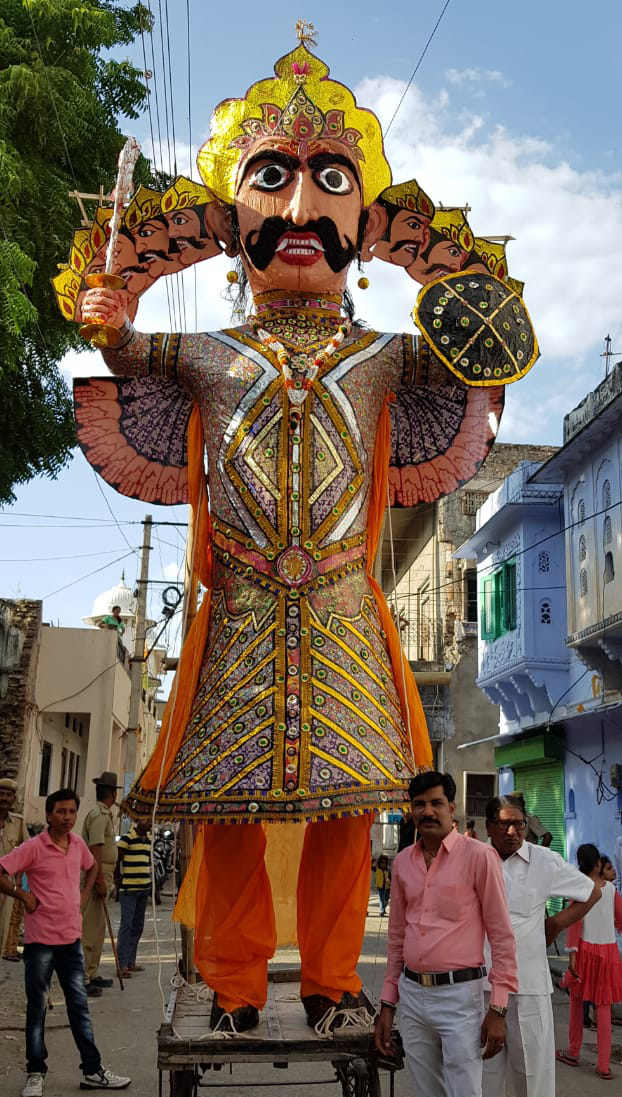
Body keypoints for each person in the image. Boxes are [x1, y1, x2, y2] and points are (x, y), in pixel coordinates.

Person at [71, 32, 537, 1033]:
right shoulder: (203, 352)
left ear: (361, 223)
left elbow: (477, 352)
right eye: (269, 180)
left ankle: (330, 978)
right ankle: (237, 984)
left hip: (336, 610)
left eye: (327, 182)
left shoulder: (381, 355)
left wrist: (470, 291)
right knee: (231, 817)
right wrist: (113, 319)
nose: (295, 208)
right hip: (240, 606)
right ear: (232, 214)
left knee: (341, 811)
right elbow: (128, 344)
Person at [375, 770, 520, 1097]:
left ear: (452, 808)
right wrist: (388, 1003)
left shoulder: (479, 858)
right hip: (414, 998)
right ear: (410, 810)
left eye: (436, 803)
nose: (428, 812)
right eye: (419, 805)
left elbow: (503, 938)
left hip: (463, 999)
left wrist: (497, 1009)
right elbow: (395, 939)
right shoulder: (403, 864)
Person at [483, 796, 600, 1097]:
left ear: (526, 827)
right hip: (481, 989)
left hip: (529, 989)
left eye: (519, 824)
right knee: (483, 1089)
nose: (512, 831)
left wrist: (555, 924)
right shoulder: (477, 860)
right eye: (503, 824)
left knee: (534, 1088)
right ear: (488, 827)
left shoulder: (545, 862)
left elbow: (592, 891)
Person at [0, 788, 131, 1097]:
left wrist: (83, 898)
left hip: (70, 939)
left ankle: (92, 1070)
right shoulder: (34, 847)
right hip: (40, 943)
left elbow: (93, 866)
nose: (66, 817)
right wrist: (23, 895)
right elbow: (3, 870)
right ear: (48, 815)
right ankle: (35, 1072)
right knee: (37, 1009)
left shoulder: (78, 845)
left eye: (71, 812)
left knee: (79, 1007)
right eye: (60, 812)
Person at [556, 843, 622, 1081]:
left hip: (584, 951)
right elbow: (620, 919)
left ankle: (573, 1052)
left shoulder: (580, 889)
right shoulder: (612, 890)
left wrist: (572, 955)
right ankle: (603, 1065)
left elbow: (574, 925)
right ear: (597, 865)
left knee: (576, 1001)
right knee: (603, 1007)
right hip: (609, 952)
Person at [81, 771, 122, 995]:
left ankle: (92, 971)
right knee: (89, 927)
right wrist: (97, 879)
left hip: (104, 871)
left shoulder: (105, 814)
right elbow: (94, 848)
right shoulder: (98, 815)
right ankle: (83, 976)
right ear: (112, 794)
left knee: (98, 929)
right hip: (96, 872)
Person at [116, 818, 152, 979]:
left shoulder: (148, 840)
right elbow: (117, 861)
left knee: (138, 926)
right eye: (145, 819)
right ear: (138, 821)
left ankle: (131, 961)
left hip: (143, 890)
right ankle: (122, 964)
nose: (149, 823)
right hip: (129, 890)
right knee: (127, 926)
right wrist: (118, 884)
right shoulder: (127, 839)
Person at [0, 778, 25, 957]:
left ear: (13, 798)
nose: (4, 798)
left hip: (6, 887)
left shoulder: (18, 824)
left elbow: (27, 852)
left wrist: (18, 878)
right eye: (1, 794)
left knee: (3, 928)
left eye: (8, 795)